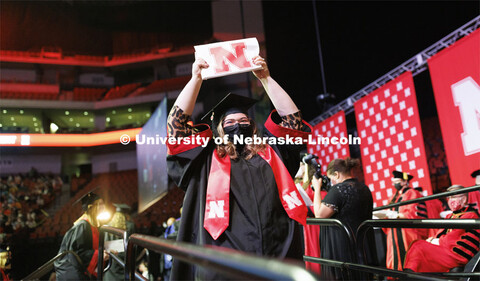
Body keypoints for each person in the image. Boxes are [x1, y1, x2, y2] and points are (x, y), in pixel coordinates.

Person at [166, 55, 311, 280]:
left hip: (277, 255)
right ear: (220, 130)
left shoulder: (271, 153)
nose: (238, 126)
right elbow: (176, 127)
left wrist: (266, 79)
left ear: (252, 126)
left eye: (244, 122)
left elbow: (293, 122)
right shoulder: (207, 158)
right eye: (230, 123)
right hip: (226, 263)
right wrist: (196, 79)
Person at [312, 158, 373, 280]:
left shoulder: (338, 190)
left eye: (331, 178)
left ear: (336, 174)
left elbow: (319, 215)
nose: (331, 182)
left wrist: (317, 189)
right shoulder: (364, 188)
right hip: (363, 245)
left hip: (341, 246)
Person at [404, 185, 480, 272]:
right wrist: (432, 240)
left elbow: (453, 238)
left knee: (418, 247)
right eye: (449, 197)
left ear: (464, 199)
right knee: (417, 245)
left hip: (456, 255)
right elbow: (439, 233)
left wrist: (437, 241)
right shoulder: (450, 216)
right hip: (446, 251)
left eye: (454, 197)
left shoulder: (470, 215)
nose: (451, 200)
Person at [54, 192, 109, 280]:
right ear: (91, 207)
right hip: (73, 272)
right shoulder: (82, 226)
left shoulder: (91, 225)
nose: (104, 207)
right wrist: (99, 254)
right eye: (100, 204)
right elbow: (76, 253)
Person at [384, 170, 429, 271]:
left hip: (407, 230)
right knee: (395, 259)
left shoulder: (412, 193)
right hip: (394, 231)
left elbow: (414, 212)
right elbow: (388, 211)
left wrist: (399, 215)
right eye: (394, 182)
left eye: (398, 181)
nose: (395, 184)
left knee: (410, 258)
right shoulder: (393, 196)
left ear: (405, 181)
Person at [103, 203, 135, 281]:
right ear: (126, 215)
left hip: (112, 259)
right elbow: (132, 245)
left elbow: (105, 244)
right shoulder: (130, 226)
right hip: (124, 260)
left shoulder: (108, 226)